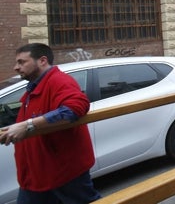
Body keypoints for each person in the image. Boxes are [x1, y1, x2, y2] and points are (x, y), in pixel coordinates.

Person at [0, 43, 101, 203]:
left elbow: (75, 108)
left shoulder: (59, 81)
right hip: (36, 176)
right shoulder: (33, 87)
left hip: (62, 175)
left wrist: (28, 125)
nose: (16, 67)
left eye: (21, 62)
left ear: (42, 61)